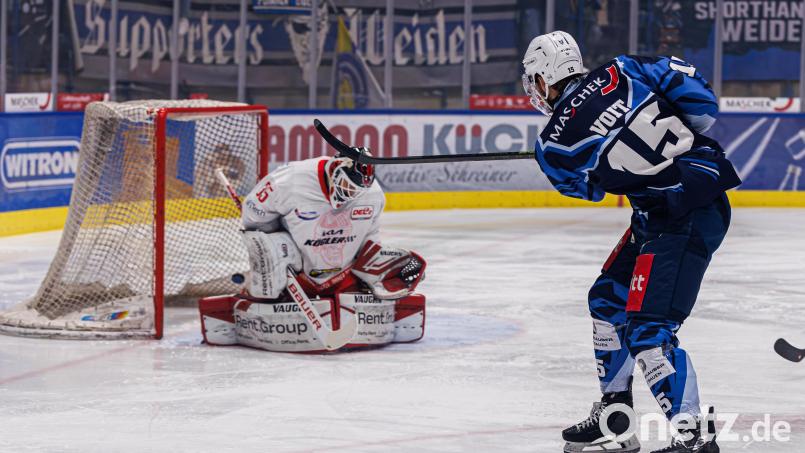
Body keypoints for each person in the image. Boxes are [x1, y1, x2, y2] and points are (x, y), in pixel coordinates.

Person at [522, 31, 740, 453]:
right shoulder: (623, 69)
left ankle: (692, 438)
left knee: (649, 331)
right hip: (681, 203)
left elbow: (585, 190)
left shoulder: (552, 146)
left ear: (547, 76)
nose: (535, 90)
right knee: (607, 300)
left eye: (534, 79)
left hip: (681, 220)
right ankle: (614, 419)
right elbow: (702, 103)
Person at [198, 148, 427, 353]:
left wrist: (372, 268)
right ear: (335, 172)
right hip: (297, 275)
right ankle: (256, 301)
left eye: (356, 191)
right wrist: (273, 246)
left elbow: (370, 235)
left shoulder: (373, 195)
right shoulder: (290, 180)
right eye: (346, 187)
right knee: (268, 283)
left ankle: (344, 294)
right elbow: (253, 215)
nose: (349, 195)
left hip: (342, 274)